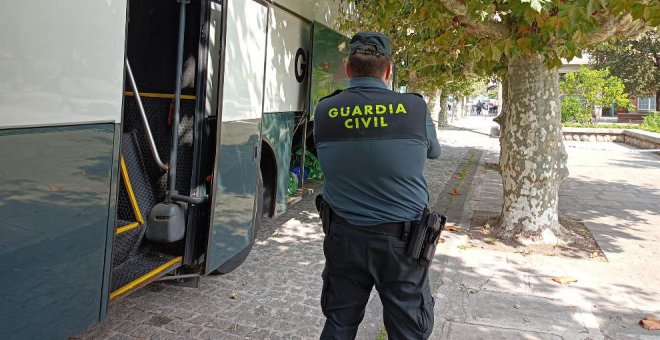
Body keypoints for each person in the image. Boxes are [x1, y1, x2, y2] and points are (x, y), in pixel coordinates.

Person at [313, 32, 441, 339]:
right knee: (408, 330)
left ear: (347, 68)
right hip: (403, 245)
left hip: (344, 236)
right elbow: (433, 151)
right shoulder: (414, 107)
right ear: (387, 71)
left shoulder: (324, 110)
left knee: (340, 323)